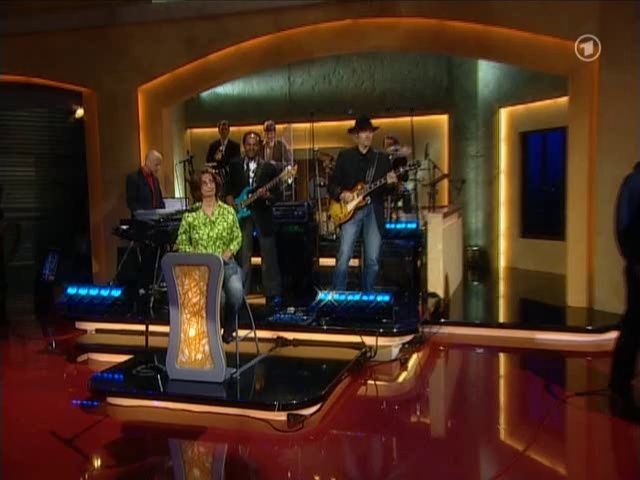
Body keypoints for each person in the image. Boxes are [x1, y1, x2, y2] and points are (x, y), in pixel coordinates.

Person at [328, 115, 397, 291]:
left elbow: (388, 191)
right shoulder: (345, 157)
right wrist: (342, 194)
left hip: (373, 210)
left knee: (372, 259)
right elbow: (332, 184)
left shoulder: (381, 159)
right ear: (356, 136)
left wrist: (391, 183)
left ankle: (368, 295)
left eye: (370, 132)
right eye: (364, 132)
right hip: (350, 211)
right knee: (344, 255)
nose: (367, 135)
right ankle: (338, 295)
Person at [176, 169, 243, 343]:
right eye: (204, 183)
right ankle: (213, 335)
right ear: (198, 188)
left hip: (226, 263)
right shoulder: (190, 216)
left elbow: (237, 237)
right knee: (219, 300)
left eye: (211, 182)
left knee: (236, 293)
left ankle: (229, 326)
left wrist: (228, 253)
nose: (209, 186)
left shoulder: (228, 212)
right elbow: (182, 242)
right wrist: (194, 253)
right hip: (203, 268)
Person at [224, 131, 283, 306]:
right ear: (244, 146)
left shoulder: (269, 167)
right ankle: (240, 293)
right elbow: (227, 188)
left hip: (262, 215)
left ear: (259, 146)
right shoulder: (234, 165)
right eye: (248, 144)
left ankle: (272, 294)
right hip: (242, 216)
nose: (251, 147)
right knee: (243, 256)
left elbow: (277, 195)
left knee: (268, 255)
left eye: (254, 144)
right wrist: (230, 200)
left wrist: (267, 196)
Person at [609, 160, 640, 398]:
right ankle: (620, 382)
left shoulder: (632, 183)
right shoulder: (633, 183)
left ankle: (621, 381)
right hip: (639, 265)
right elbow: (624, 227)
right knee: (634, 323)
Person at [125, 149, 165, 215]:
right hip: (141, 218)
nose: (159, 168)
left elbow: (160, 201)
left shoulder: (155, 180)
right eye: (156, 164)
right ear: (148, 162)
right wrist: (143, 214)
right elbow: (131, 202)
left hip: (157, 217)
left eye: (159, 165)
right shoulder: (134, 178)